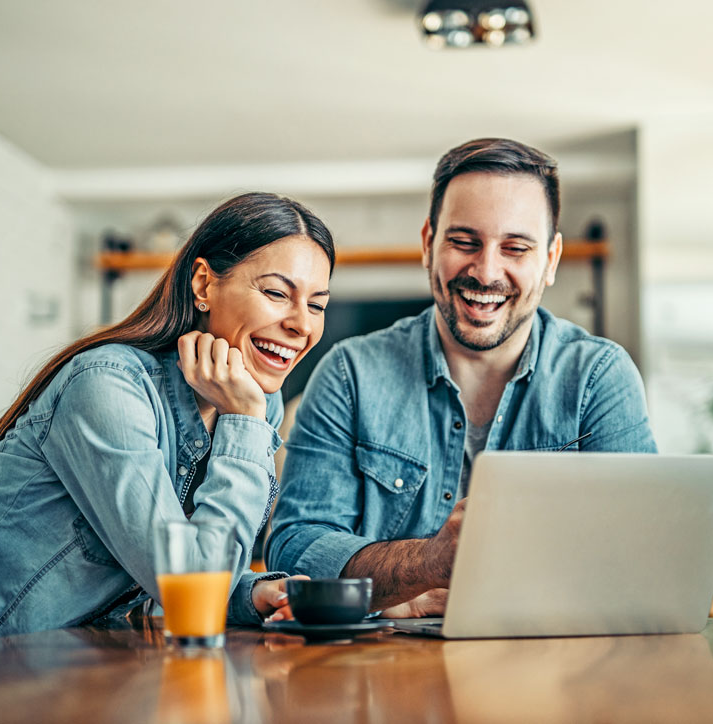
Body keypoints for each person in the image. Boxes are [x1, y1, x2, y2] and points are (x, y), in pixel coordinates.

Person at [0, 192, 334, 654]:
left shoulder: (248, 404)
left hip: (34, 673)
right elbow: (185, 582)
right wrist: (244, 424)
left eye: (316, 304)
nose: (302, 324)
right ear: (203, 284)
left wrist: (256, 592)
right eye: (276, 293)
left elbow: (178, 566)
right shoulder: (109, 385)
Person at [266, 138, 656, 616]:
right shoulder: (350, 374)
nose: (486, 271)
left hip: (553, 677)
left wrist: (394, 590)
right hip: (382, 678)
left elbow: (640, 559)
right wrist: (428, 562)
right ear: (429, 244)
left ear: (550, 260)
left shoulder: (599, 377)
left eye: (515, 247)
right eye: (464, 242)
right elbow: (296, 548)